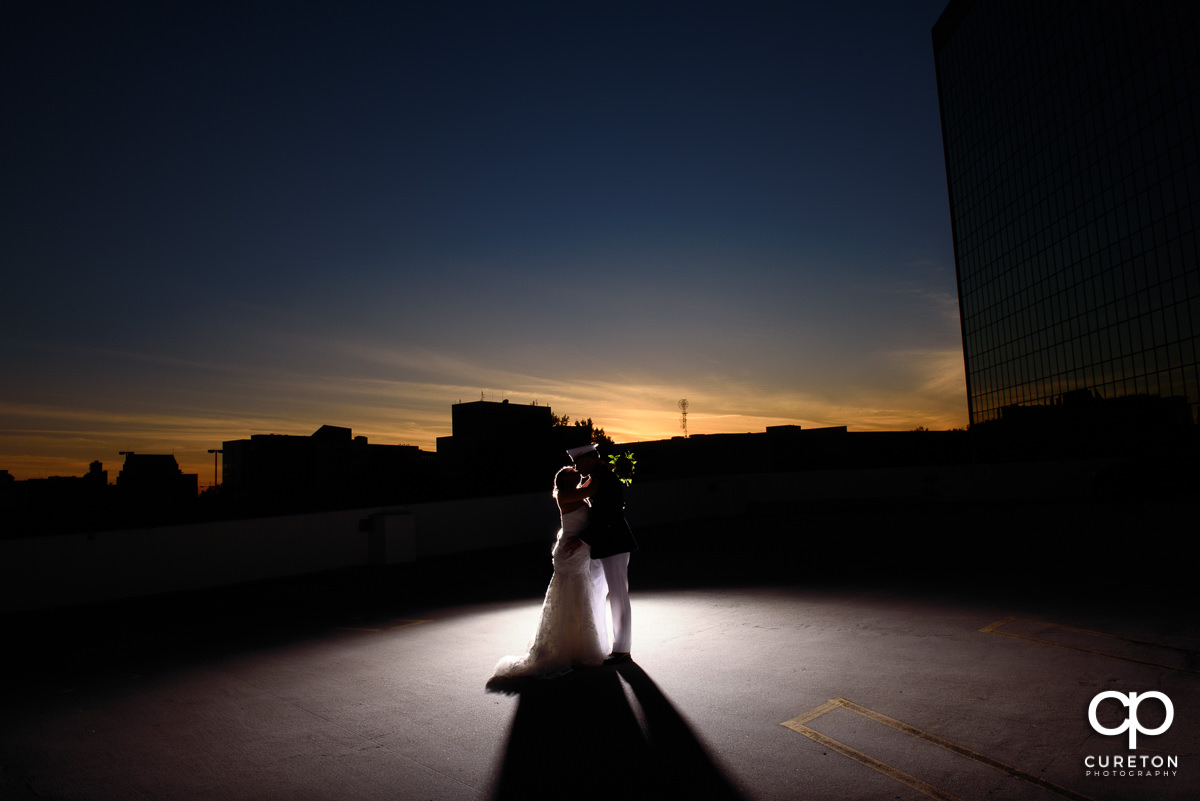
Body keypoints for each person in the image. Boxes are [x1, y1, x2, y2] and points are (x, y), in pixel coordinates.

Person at [488, 466, 606, 682]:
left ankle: (576, 648)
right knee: (568, 596)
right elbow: (592, 489)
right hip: (569, 555)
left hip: (579, 553)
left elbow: (588, 486)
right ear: (564, 480)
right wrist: (599, 470)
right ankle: (567, 649)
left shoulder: (575, 491)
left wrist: (593, 471)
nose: (577, 471)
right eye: (572, 470)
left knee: (577, 597)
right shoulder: (565, 494)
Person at [560, 443, 637, 664]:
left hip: (615, 542)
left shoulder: (605, 476)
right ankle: (596, 643)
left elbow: (609, 513)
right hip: (601, 544)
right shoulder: (598, 475)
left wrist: (583, 539)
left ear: (590, 459)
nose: (576, 466)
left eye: (578, 461)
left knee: (618, 595)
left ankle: (622, 649)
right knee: (595, 592)